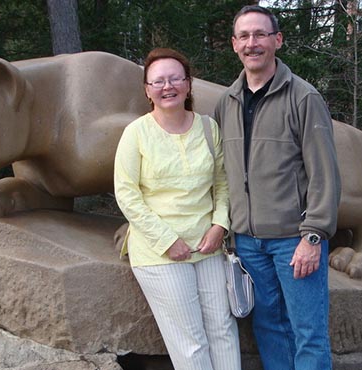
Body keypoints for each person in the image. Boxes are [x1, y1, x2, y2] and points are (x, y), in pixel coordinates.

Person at [214, 5, 341, 370]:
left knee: (308, 331)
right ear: (234, 44)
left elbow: (325, 174)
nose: (252, 43)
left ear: (277, 40)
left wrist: (313, 236)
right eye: (244, 36)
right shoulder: (227, 102)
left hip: (294, 240)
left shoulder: (303, 97)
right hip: (248, 243)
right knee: (269, 327)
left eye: (260, 35)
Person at [114, 47, 241, 370]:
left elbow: (222, 184)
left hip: (207, 245)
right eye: (157, 81)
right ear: (147, 90)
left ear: (188, 84)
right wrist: (167, 240)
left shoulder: (208, 128)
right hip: (159, 252)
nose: (166, 86)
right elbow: (127, 195)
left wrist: (220, 225)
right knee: (190, 340)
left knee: (223, 329)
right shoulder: (136, 133)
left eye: (174, 79)